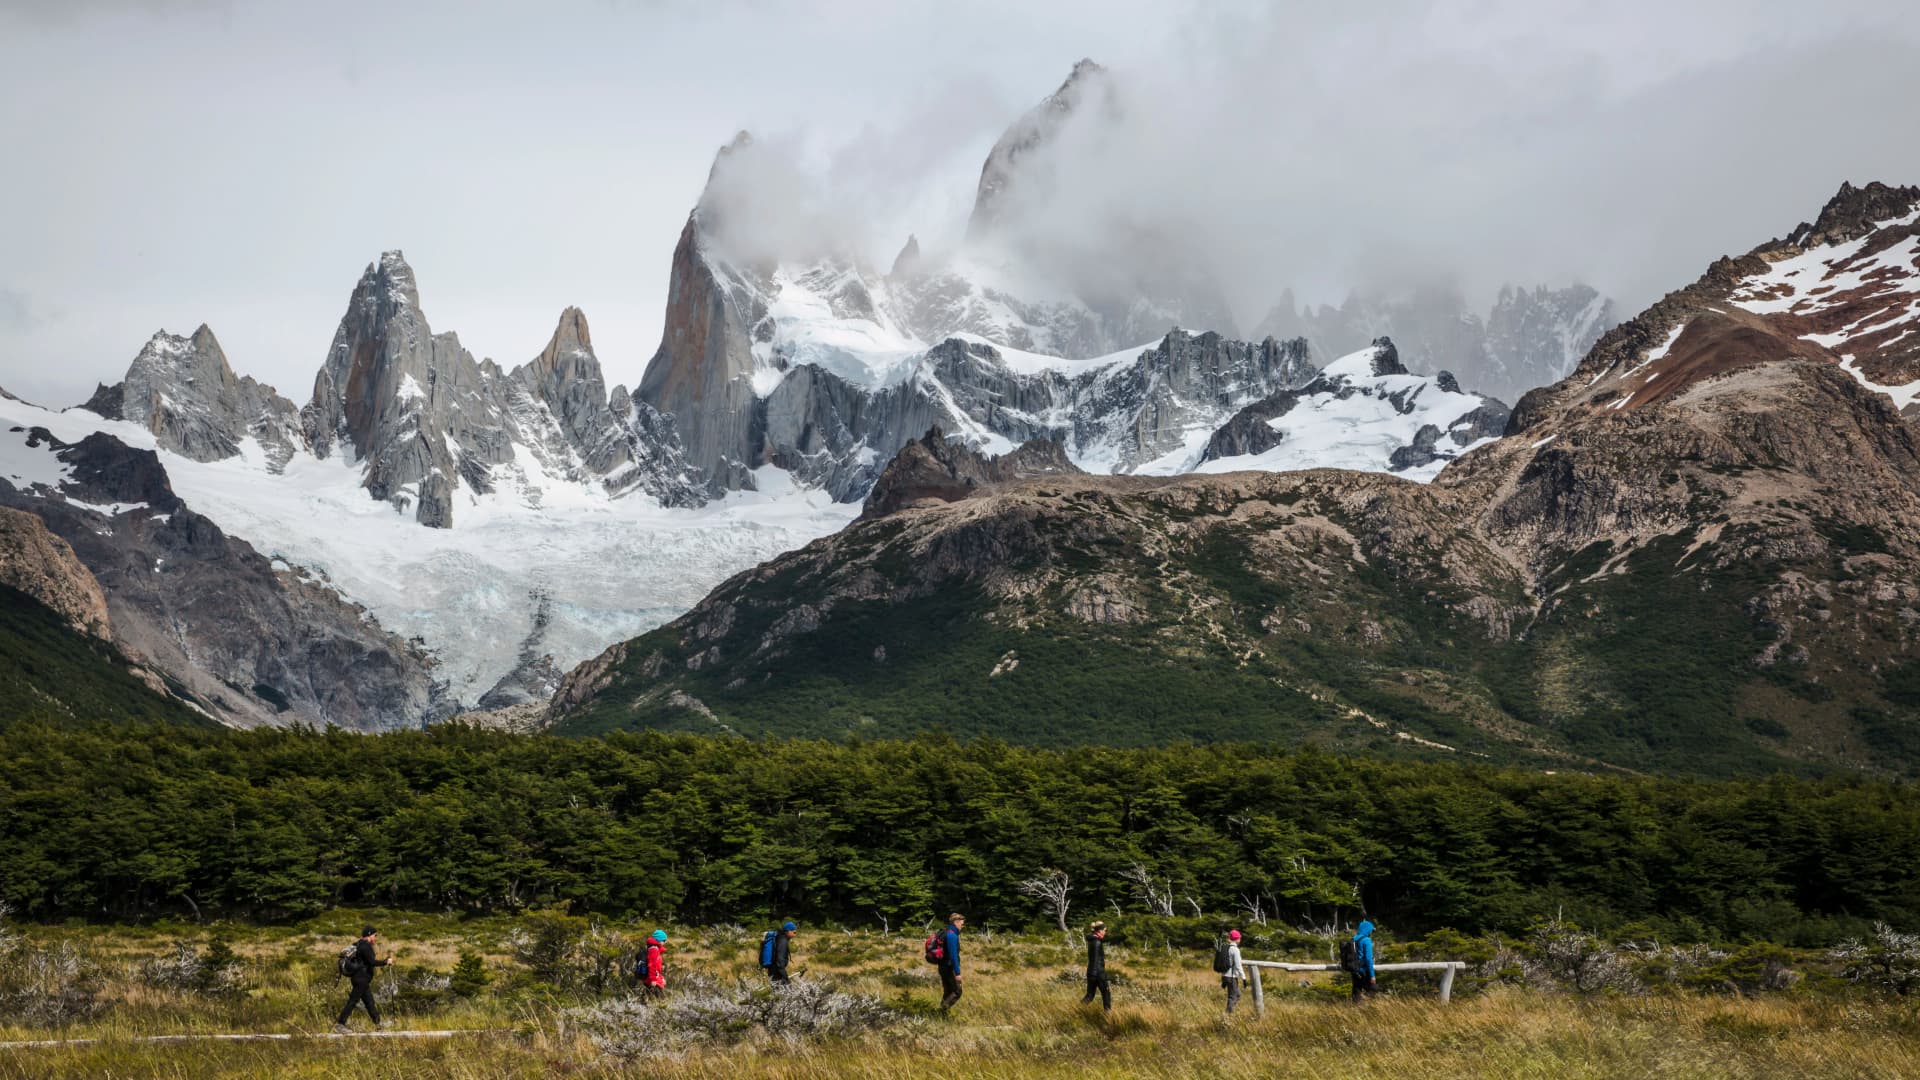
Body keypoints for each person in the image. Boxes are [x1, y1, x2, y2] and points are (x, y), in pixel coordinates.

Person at [334, 926, 394, 1032]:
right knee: (353, 1001)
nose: (375, 937)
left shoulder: (358, 944)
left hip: (360, 978)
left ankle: (378, 1023)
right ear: (369, 934)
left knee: (369, 1002)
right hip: (361, 978)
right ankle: (340, 1024)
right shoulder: (365, 946)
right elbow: (372, 962)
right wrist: (385, 962)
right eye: (374, 935)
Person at [1081, 921, 1111, 1011]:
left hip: (1091, 971)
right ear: (1100, 930)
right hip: (1098, 972)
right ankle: (1108, 1014)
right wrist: (1098, 973)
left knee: (1090, 995)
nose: (1105, 932)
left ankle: (1078, 1010)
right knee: (1106, 993)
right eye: (1105, 930)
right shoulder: (1097, 942)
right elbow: (1096, 959)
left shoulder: (1092, 940)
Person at [938, 913, 965, 1013]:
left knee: (948, 992)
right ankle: (941, 1011)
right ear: (956, 922)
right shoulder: (952, 936)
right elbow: (953, 956)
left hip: (942, 967)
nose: (962, 926)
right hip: (949, 968)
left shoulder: (946, 932)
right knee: (957, 991)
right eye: (962, 924)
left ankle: (942, 1015)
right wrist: (957, 973)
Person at [1350, 920, 1379, 1001]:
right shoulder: (1366, 940)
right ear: (1367, 929)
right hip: (1363, 970)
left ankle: (1356, 1007)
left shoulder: (1354, 938)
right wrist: (1372, 975)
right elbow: (1368, 959)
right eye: (1371, 930)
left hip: (1354, 969)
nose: (1371, 932)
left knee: (1356, 992)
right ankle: (1369, 1006)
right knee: (1373, 989)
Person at [1223, 929, 1245, 1015]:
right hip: (1231, 976)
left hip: (1225, 975)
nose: (1240, 940)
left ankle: (1229, 1012)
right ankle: (1227, 1015)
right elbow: (1238, 965)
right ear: (1237, 939)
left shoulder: (1226, 947)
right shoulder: (1235, 949)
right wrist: (1244, 977)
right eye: (1239, 938)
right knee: (1233, 997)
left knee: (1237, 994)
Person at [767, 920, 796, 984]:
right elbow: (780, 960)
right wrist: (784, 976)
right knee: (781, 988)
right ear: (787, 931)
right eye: (794, 932)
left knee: (775, 988)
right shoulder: (783, 941)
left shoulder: (780, 938)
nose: (795, 934)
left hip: (774, 970)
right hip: (777, 972)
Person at [643, 929, 668, 997]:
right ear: (659, 940)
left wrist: (661, 978)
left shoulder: (654, 949)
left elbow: (657, 968)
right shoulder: (654, 950)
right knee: (657, 998)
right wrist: (653, 979)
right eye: (664, 940)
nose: (665, 942)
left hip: (653, 978)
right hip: (652, 980)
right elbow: (651, 965)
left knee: (651, 997)